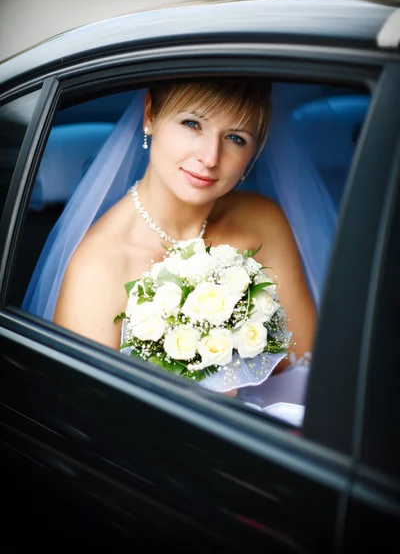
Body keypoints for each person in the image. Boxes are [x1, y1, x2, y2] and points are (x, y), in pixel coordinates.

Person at [50, 79, 316, 396]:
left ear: (253, 153)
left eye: (235, 138)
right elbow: (88, 418)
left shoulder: (262, 222)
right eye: (192, 123)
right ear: (150, 115)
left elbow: (306, 365)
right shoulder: (97, 269)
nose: (210, 157)